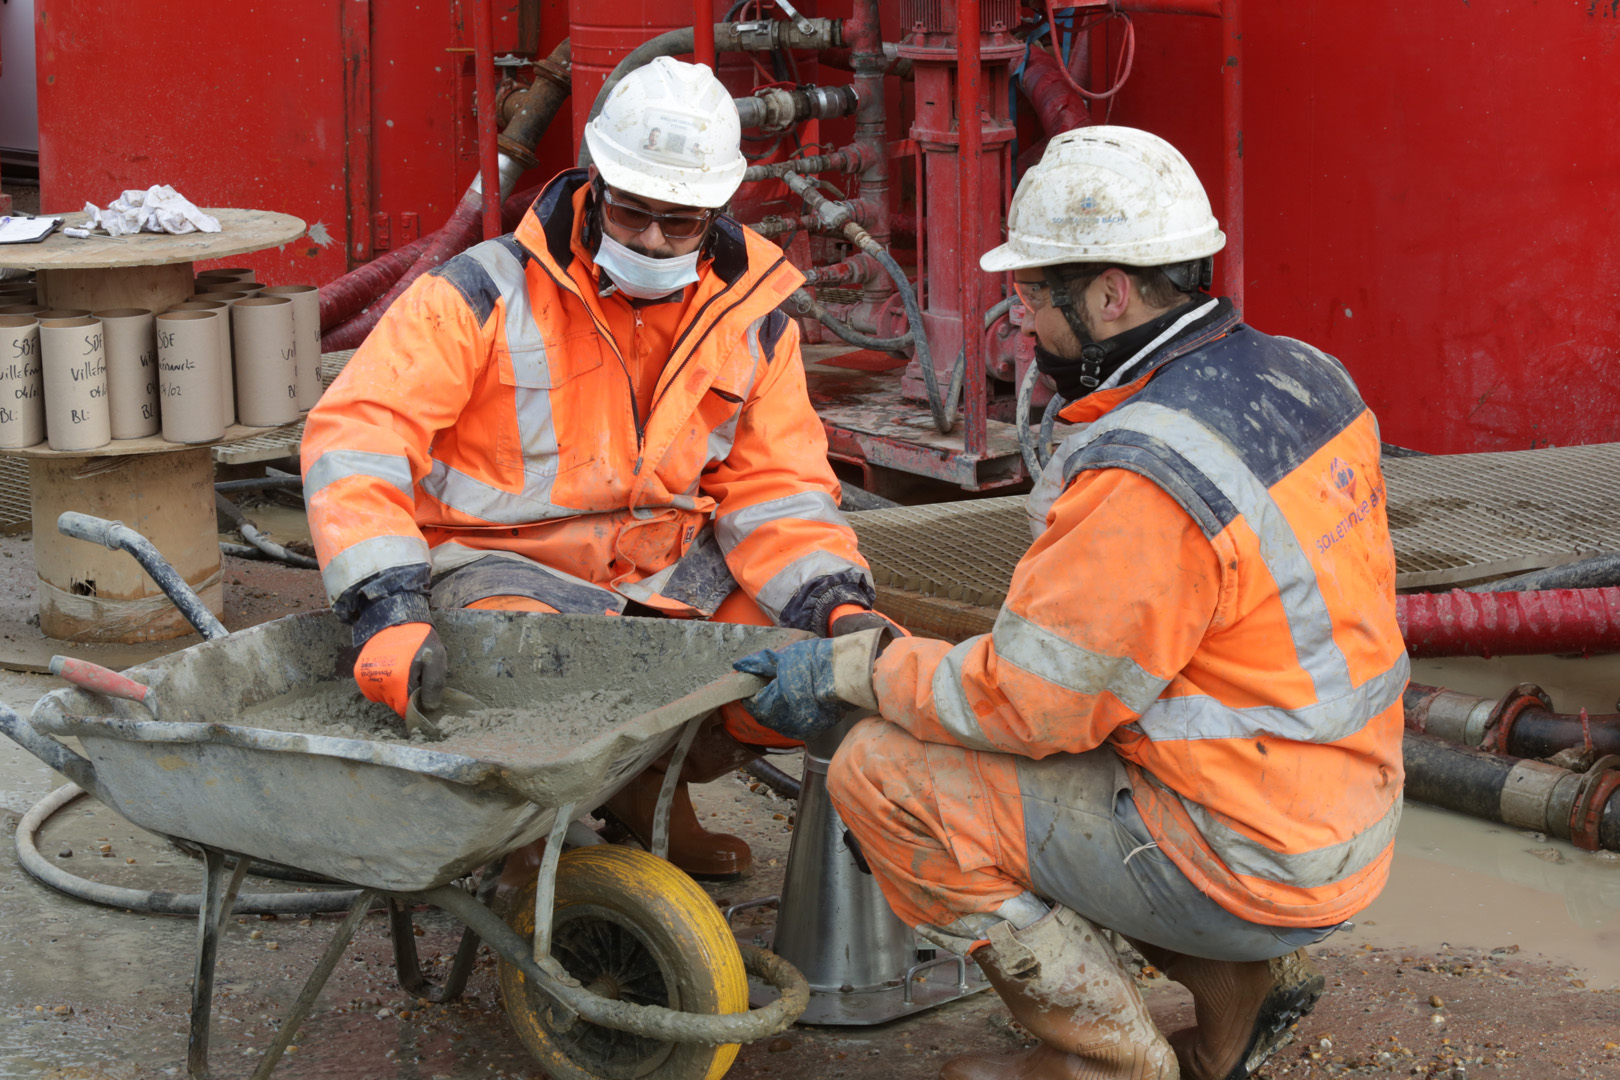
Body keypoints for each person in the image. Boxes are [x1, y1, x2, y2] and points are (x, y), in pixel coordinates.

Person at [735, 126, 1408, 1080]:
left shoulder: (1150, 475)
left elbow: (1031, 704)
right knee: (1054, 743)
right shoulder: (1301, 373)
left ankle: (1107, 1059)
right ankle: (1235, 1005)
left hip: (1247, 850)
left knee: (882, 772)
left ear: (1108, 294)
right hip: (1343, 810)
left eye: (1033, 297)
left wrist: (857, 668)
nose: (1024, 324)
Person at [301, 57, 899, 882]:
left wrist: (836, 606)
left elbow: (778, 487)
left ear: (717, 211)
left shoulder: (753, 320)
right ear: (594, 182)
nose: (653, 239)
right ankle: (520, 845)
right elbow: (359, 438)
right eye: (633, 213)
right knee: (520, 672)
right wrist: (385, 606)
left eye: (679, 222)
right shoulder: (479, 294)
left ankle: (649, 788)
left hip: (657, 565)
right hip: (498, 562)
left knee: (805, 668)